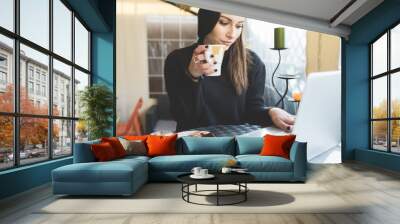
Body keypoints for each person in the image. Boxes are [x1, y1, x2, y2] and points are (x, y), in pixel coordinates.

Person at [164, 8, 295, 132]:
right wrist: (192, 76)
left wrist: (271, 112)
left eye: (239, 26)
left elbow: (253, 112)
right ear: (206, 22)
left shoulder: (253, 62)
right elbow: (183, 117)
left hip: (233, 145)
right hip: (192, 146)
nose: (232, 34)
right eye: (224, 22)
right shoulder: (177, 60)